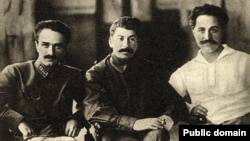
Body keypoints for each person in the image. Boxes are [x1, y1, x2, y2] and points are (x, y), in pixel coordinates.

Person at [83, 16, 189, 141]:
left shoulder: (150, 69)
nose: (126, 45)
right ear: (111, 41)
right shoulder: (96, 73)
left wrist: (167, 117)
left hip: (147, 130)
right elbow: (95, 111)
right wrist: (134, 123)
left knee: (158, 134)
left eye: (131, 39)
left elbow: (175, 101)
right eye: (120, 38)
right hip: (114, 133)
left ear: (137, 43)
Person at [0, 20, 88, 141]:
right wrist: (18, 122)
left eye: (58, 46)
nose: (50, 53)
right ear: (36, 45)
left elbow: (91, 103)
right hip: (23, 138)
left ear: (66, 47)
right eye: (45, 45)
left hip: (60, 137)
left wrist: (77, 119)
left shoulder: (74, 76)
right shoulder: (15, 73)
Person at [169, 4, 250, 125]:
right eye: (201, 30)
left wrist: (246, 119)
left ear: (223, 30)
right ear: (193, 31)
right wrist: (190, 109)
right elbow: (166, 101)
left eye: (214, 30)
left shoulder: (245, 61)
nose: (207, 37)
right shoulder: (185, 71)